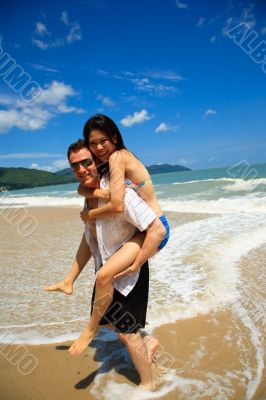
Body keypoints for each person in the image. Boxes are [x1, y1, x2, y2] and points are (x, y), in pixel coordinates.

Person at [45, 139, 163, 390]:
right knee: (110, 323)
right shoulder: (89, 197)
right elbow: (90, 240)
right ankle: (149, 343)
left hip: (130, 269)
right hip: (107, 268)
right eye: (75, 166)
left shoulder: (122, 193)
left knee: (128, 331)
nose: (81, 169)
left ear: (97, 162)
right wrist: (71, 277)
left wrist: (138, 263)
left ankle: (148, 384)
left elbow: (156, 229)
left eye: (86, 162)